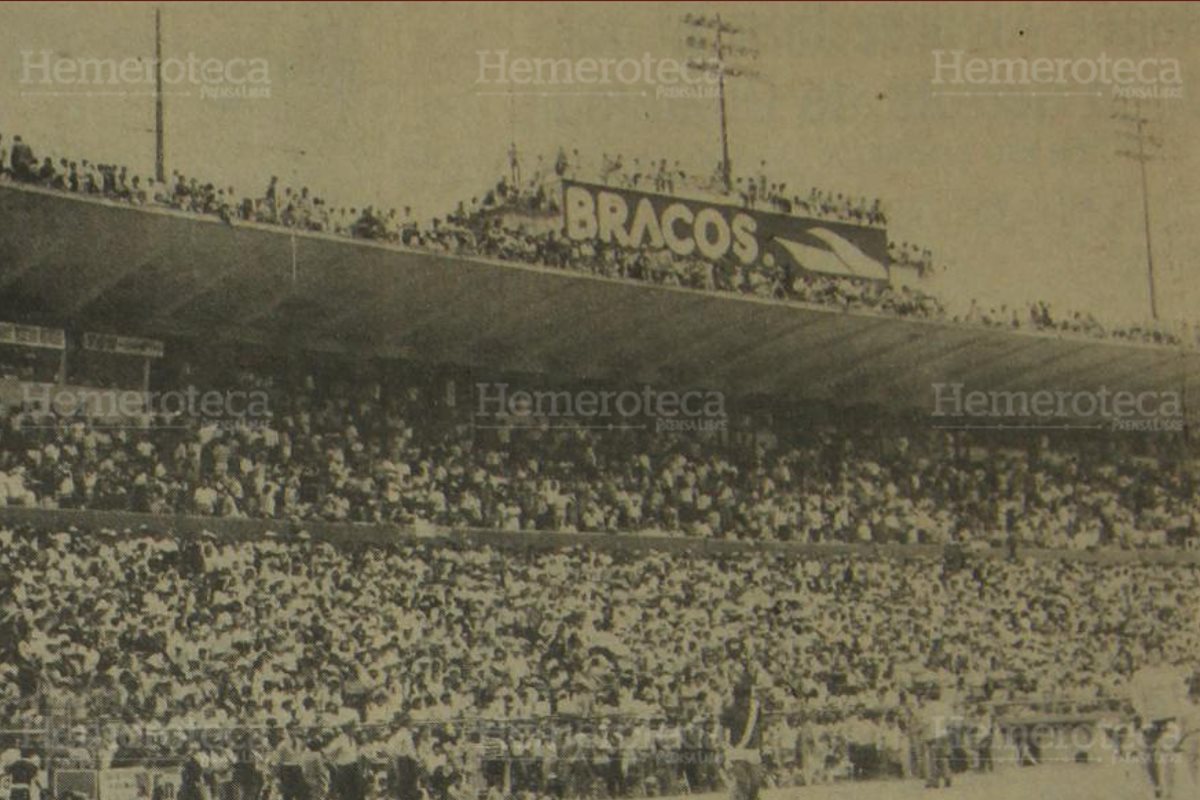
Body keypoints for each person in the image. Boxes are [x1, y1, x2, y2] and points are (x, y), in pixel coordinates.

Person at [1130, 649, 1192, 799]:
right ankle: (1157, 785)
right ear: (1147, 656)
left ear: (1161, 655)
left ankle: (1170, 790)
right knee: (1149, 755)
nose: (1153, 657)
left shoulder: (1171, 672)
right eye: (1151, 654)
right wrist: (1143, 716)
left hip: (1169, 717)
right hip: (1150, 719)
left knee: (1169, 753)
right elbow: (1136, 698)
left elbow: (1181, 694)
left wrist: (1180, 713)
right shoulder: (1140, 675)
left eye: (1156, 653)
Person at [720, 669, 763, 800]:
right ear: (736, 698)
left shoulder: (755, 708)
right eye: (742, 697)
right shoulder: (729, 710)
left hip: (752, 748)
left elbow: (757, 727)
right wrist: (726, 748)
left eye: (747, 696)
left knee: (756, 783)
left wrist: (761, 744)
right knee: (743, 782)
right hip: (736, 749)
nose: (745, 700)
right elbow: (723, 730)